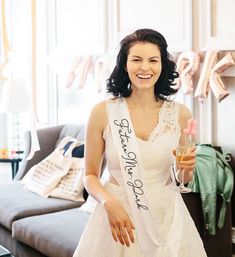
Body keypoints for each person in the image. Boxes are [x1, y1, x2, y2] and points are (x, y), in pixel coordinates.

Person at [73, 28, 207, 257]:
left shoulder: (180, 114)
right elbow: (90, 175)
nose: (145, 67)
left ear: (162, 65)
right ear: (125, 65)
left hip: (167, 218)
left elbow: (181, 180)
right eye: (136, 59)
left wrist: (186, 170)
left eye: (153, 60)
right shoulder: (102, 112)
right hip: (118, 219)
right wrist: (108, 203)